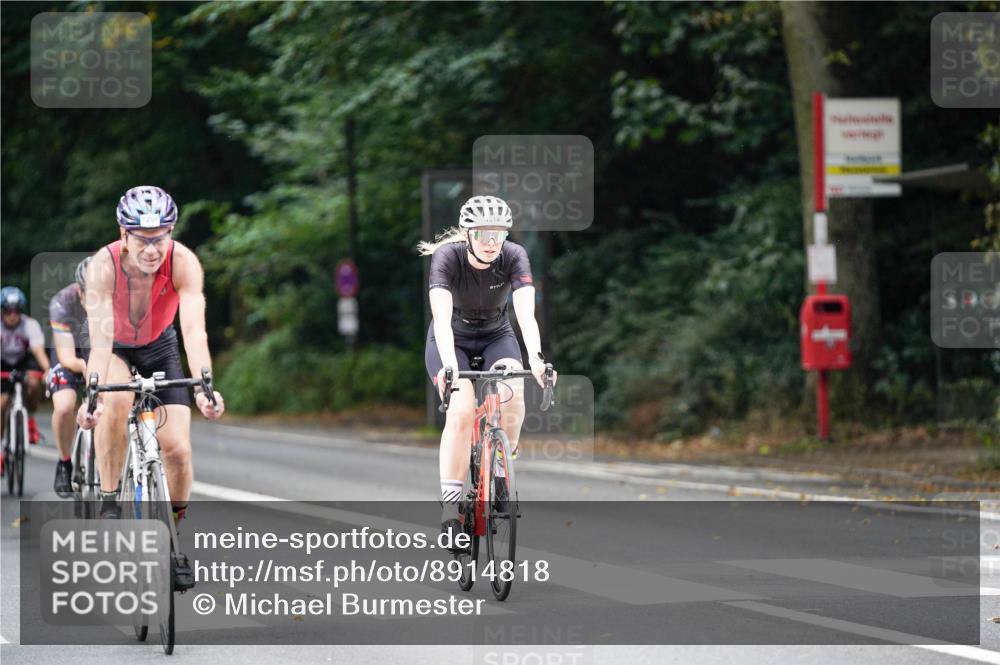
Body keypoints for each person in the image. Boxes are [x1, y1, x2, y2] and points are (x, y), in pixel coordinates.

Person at [77, 185, 225, 590]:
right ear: (123, 235)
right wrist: (93, 393)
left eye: (160, 237)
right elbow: (100, 339)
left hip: (160, 344)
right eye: (142, 239)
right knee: (118, 397)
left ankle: (172, 535)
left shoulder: (184, 262)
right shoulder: (103, 266)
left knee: (178, 449)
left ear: (171, 232)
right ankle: (110, 501)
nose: (152, 248)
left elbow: (193, 331)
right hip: (113, 344)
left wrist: (204, 386)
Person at [417, 195, 551, 546]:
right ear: (467, 234)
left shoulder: (514, 255)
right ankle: (450, 512)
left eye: (499, 234)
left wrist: (536, 359)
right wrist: (450, 365)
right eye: (482, 234)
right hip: (452, 339)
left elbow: (525, 315)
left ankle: (502, 468)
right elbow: (441, 320)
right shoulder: (448, 257)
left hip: (496, 335)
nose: (492, 242)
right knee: (461, 412)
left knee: (514, 390)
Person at [47, 257, 92, 496]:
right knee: (64, 407)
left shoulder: (118, 299)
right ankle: (64, 462)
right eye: (90, 295)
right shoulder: (62, 302)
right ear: (79, 290)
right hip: (70, 352)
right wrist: (84, 366)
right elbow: (66, 357)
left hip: (98, 348)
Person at [1, 286, 50, 461]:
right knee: (2, 404)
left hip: (24, 359)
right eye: (8, 311)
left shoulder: (30, 325)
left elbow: (38, 351)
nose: (12, 315)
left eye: (16, 311)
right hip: (3, 361)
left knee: (34, 383)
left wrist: (48, 370)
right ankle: (2, 447)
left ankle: (29, 417)